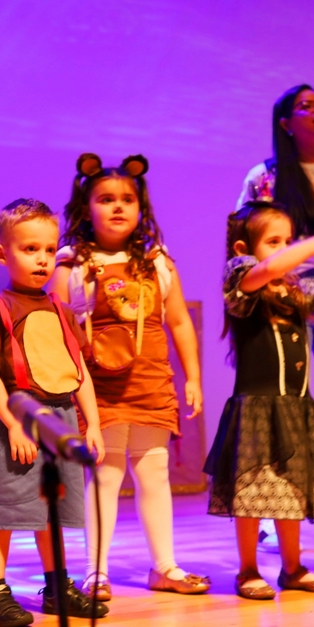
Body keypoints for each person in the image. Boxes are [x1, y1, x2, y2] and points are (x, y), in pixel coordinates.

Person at [49, 154, 210, 601]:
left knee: (154, 472)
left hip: (150, 382)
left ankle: (165, 566)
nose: (117, 206)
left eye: (127, 199)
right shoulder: (72, 263)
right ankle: (95, 572)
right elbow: (54, 323)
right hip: (97, 387)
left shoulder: (158, 262)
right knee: (105, 473)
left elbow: (179, 322)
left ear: (141, 208)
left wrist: (193, 377)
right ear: (86, 208)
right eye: (105, 199)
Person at [205, 201, 314, 599]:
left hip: (294, 407)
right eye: (274, 240)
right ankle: (248, 569)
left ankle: (293, 568)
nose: (284, 249)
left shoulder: (293, 289)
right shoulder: (241, 278)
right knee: (252, 493)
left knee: (290, 491)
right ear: (244, 248)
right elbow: (268, 268)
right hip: (257, 409)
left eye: (287, 240)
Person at [0, 198, 108, 627]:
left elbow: (78, 371)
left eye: (49, 249)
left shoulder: (61, 310)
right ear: (2, 253)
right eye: (30, 249)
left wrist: (92, 423)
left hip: (61, 420)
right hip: (21, 419)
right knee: (6, 510)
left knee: (55, 509)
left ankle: (57, 586)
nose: (43, 259)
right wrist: (13, 424)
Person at [238, 85, 314, 541]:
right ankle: (271, 504)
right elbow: (244, 231)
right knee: (279, 398)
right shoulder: (264, 176)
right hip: (284, 290)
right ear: (286, 123)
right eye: (305, 107)